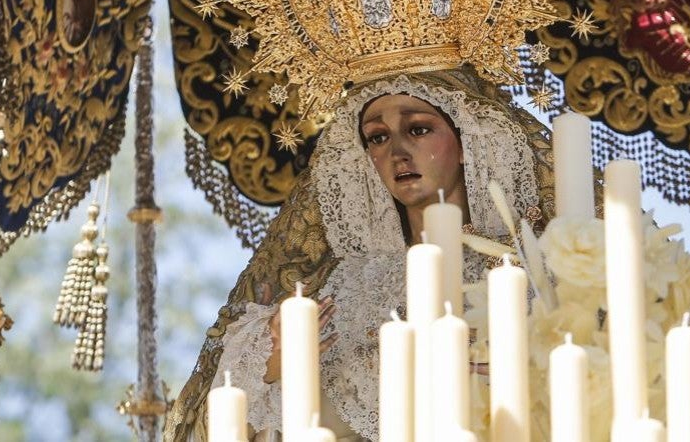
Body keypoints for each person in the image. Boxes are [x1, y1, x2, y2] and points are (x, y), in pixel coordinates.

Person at [165, 68, 555, 441]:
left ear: (467, 141)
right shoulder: (340, 289)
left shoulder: (528, 273)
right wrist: (270, 366)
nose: (398, 151)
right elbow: (217, 427)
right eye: (377, 137)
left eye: (418, 129)